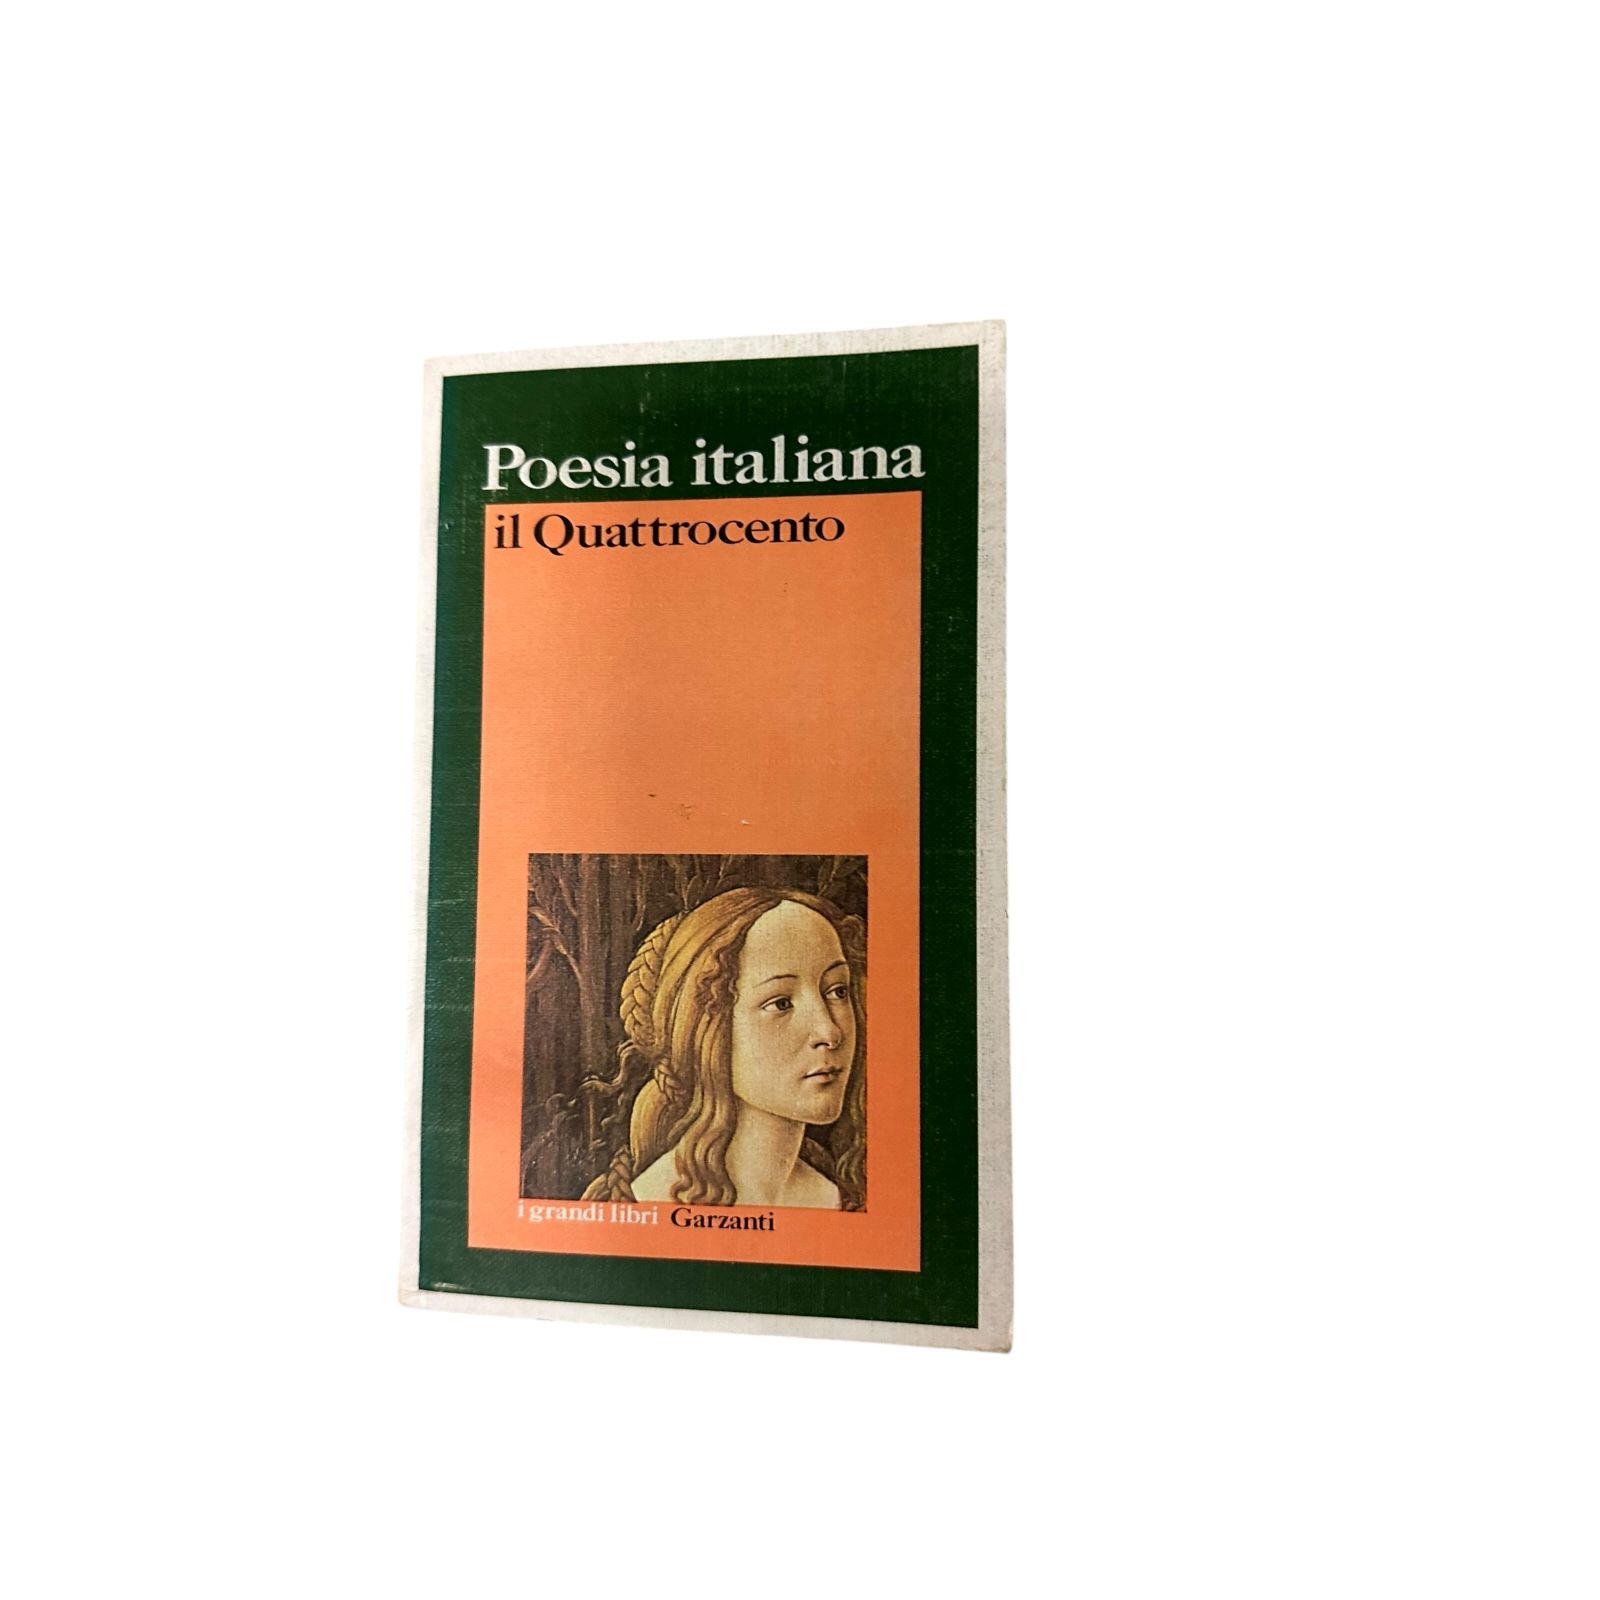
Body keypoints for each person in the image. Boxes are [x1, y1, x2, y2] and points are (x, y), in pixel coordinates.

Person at [613, 886, 866, 1210]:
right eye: (781, 1003)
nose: (830, 1032)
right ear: (709, 1029)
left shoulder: (836, 1195)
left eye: (837, 991)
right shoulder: (652, 1197)